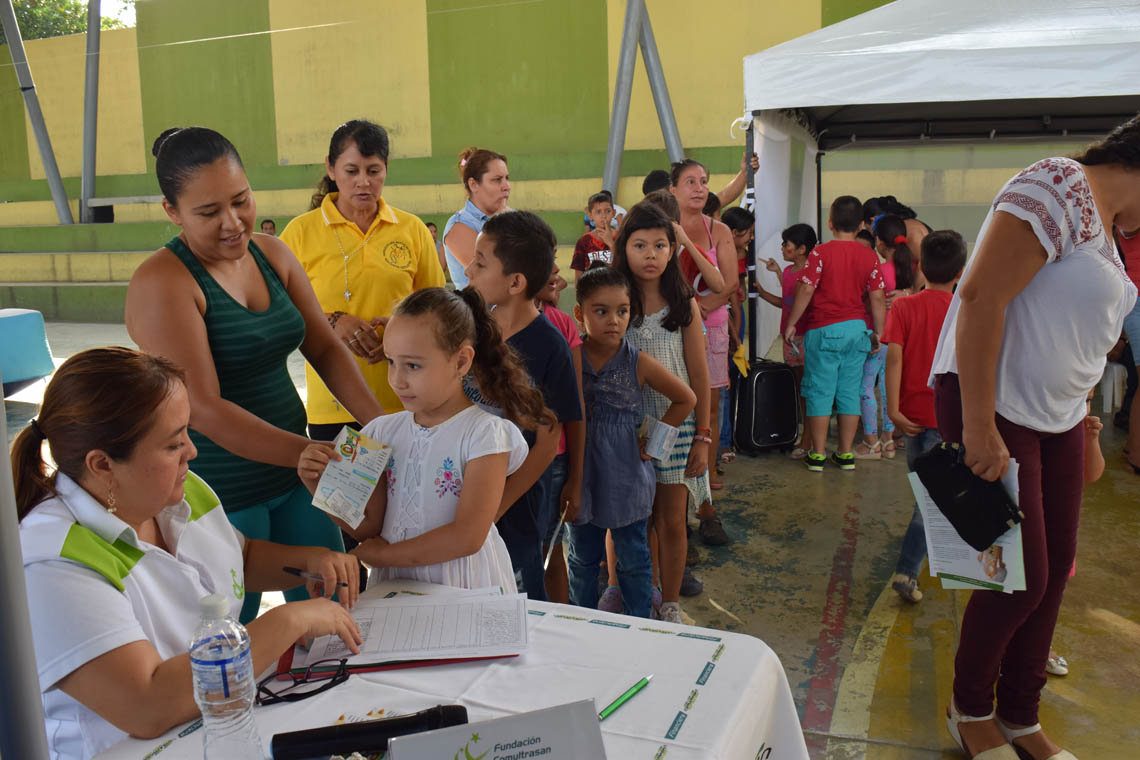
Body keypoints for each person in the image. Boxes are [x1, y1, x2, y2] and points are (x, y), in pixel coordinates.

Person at [15, 347, 363, 760]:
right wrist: (288, 620)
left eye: (186, 434)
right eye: (173, 443)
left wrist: (307, 562)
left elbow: (241, 558)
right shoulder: (52, 563)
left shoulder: (177, 491)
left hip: (220, 729)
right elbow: (147, 703)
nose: (191, 452)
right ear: (103, 464)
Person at [930, 117, 1140, 760]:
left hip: (1061, 418)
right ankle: (969, 710)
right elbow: (980, 296)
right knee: (1022, 577)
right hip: (1001, 407)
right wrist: (978, 425)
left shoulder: (1106, 229)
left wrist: (1087, 422)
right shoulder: (1059, 183)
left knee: (1051, 579)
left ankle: (1021, 716)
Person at [125, 127, 385, 622]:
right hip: (220, 494)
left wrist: (383, 425)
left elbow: (326, 348)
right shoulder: (163, 282)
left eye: (240, 201)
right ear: (172, 212)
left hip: (296, 482)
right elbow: (202, 407)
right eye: (208, 213)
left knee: (335, 616)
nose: (232, 223)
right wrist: (306, 451)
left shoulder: (272, 254)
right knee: (223, 638)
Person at [298, 288, 544, 592]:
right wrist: (318, 482)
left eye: (412, 365)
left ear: (461, 361)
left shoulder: (485, 435)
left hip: (464, 587)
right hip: (396, 586)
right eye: (391, 362)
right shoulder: (378, 432)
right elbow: (368, 527)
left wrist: (386, 555)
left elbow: (468, 536)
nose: (397, 380)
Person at [280, 120, 445, 436]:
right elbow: (279, 313)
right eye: (351, 171)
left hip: (406, 401)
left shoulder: (412, 231)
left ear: (386, 169)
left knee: (406, 486)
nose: (363, 182)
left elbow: (436, 310)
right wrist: (332, 322)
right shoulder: (299, 234)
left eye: (373, 171)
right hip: (332, 407)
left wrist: (397, 335)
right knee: (349, 487)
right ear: (331, 169)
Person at [464, 210, 583, 601]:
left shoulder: (549, 346)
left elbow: (547, 444)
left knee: (516, 603)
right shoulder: (470, 326)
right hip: (460, 488)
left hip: (514, 509)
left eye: (480, 263)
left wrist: (496, 508)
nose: (468, 269)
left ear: (515, 282)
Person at [567, 267, 696, 618]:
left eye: (622, 311)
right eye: (601, 311)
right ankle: (581, 621)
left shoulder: (637, 361)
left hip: (627, 477)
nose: (614, 320)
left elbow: (686, 398)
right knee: (582, 558)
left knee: (635, 558)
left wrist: (653, 440)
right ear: (580, 314)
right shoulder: (572, 361)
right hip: (583, 475)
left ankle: (641, 623)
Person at [613, 201, 711, 623]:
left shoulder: (683, 305)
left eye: (659, 245)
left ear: (673, 250)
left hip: (677, 427)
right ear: (624, 249)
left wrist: (704, 436)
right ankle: (632, 594)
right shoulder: (615, 303)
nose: (650, 254)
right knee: (632, 520)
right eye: (640, 245)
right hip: (626, 429)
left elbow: (699, 376)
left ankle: (669, 602)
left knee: (671, 520)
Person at [883, 230, 966, 603]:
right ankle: (907, 568)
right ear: (961, 271)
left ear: (920, 267)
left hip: (911, 416)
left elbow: (894, 358)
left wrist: (893, 408)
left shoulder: (903, 307)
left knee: (925, 491)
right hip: (946, 419)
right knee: (931, 500)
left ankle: (922, 561)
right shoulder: (964, 312)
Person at [784, 195, 886, 472]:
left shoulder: (820, 253)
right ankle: (845, 454)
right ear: (860, 224)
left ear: (830, 222)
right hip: (857, 331)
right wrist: (879, 332)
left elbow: (806, 288)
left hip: (824, 330)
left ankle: (817, 454)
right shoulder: (869, 255)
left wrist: (793, 322)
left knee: (819, 391)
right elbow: (877, 297)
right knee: (849, 393)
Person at [671, 159, 734, 544]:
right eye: (690, 182)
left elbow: (726, 283)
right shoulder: (662, 226)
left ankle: (705, 500)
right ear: (673, 189)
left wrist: (704, 309)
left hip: (710, 328)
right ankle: (675, 509)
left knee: (707, 411)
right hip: (670, 331)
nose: (699, 188)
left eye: (704, 182)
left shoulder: (719, 230)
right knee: (675, 410)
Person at [535, 261, 586, 603]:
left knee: (551, 552)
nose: (556, 270)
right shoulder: (484, 327)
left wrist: (576, 477)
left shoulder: (562, 324)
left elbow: (575, 405)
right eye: (544, 259)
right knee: (520, 558)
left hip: (554, 463)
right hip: (505, 462)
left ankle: (558, 623)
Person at [855, 214, 917, 460]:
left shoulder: (879, 270)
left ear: (880, 242)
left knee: (866, 388)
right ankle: (888, 440)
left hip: (880, 339)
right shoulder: (911, 268)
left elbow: (871, 302)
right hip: (900, 340)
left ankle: (871, 441)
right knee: (889, 390)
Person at [757, 223, 816, 457]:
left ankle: (809, 439)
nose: (782, 249)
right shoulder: (791, 272)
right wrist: (767, 286)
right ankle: (806, 436)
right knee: (800, 387)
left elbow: (801, 302)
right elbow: (788, 302)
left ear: (801, 249)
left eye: (786, 245)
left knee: (809, 389)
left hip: (807, 336)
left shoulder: (813, 272)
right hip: (790, 338)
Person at [443, 147, 510, 288]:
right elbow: (495, 277)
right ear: (473, 184)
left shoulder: (513, 216)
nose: (506, 186)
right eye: (497, 180)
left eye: (507, 178)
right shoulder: (458, 226)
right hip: (479, 309)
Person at [571, 192, 616, 282]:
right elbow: (578, 275)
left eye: (607, 211)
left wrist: (611, 243)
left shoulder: (622, 236)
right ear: (590, 215)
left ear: (613, 213)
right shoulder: (584, 241)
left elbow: (626, 266)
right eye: (598, 212)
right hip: (592, 292)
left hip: (617, 290)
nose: (603, 216)